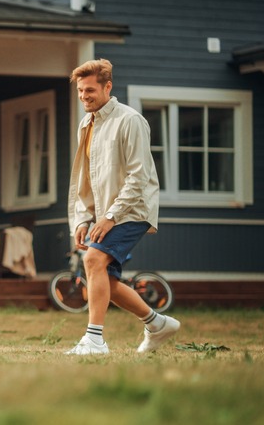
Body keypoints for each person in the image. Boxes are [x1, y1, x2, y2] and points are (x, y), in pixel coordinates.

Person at [65, 59, 180, 355]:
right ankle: (157, 324)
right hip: (106, 213)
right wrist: (83, 218)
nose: (84, 96)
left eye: (89, 90)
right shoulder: (86, 125)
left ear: (107, 87)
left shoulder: (130, 120)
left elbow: (139, 175)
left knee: (92, 261)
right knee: (105, 279)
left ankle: (94, 340)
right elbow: (86, 178)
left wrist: (110, 217)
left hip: (132, 209)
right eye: (80, 91)